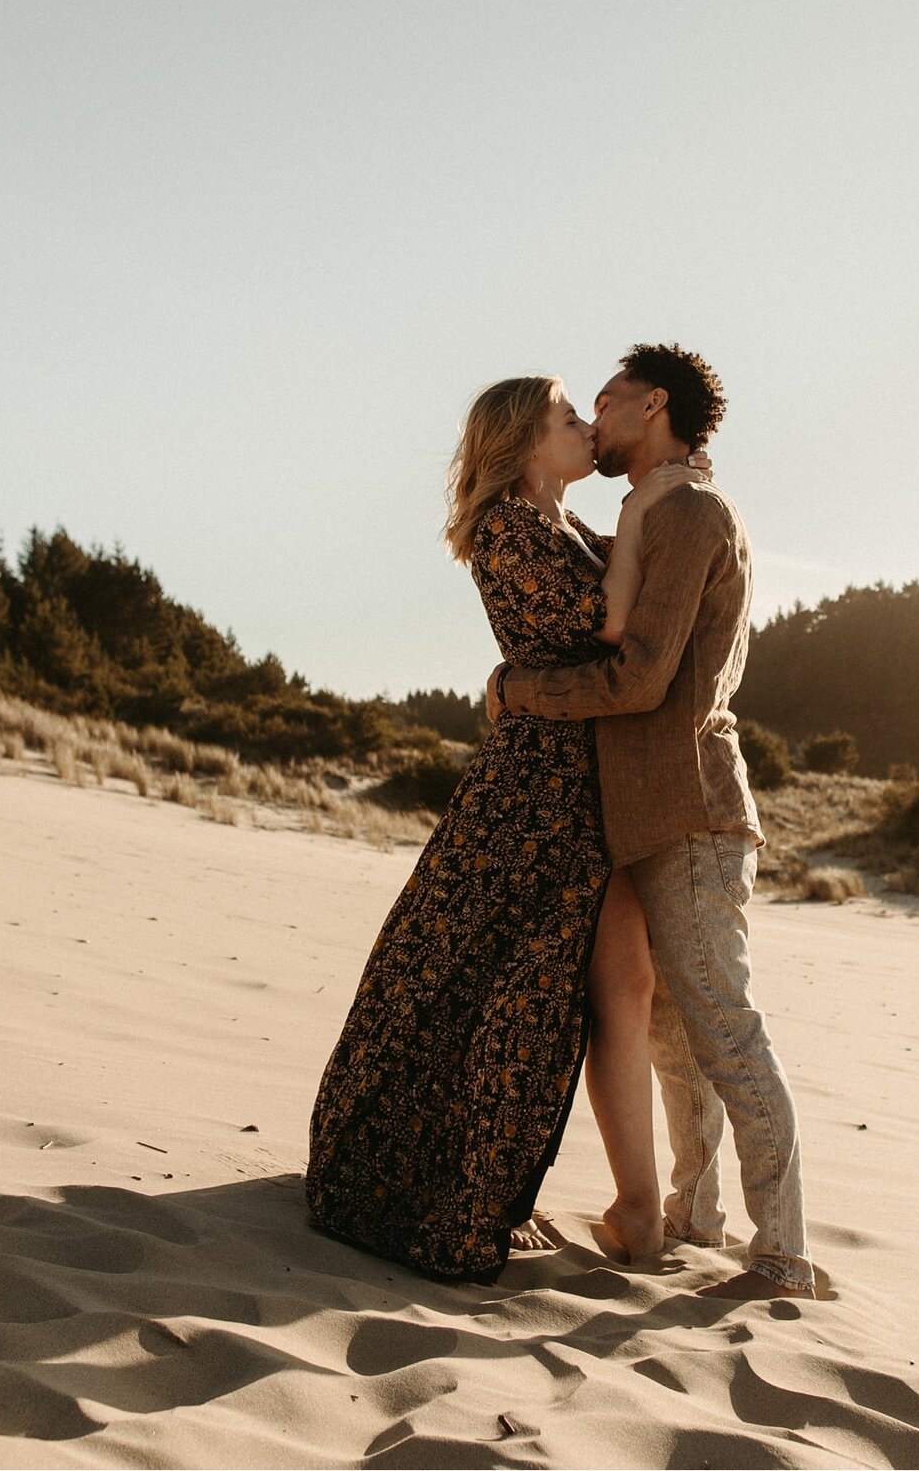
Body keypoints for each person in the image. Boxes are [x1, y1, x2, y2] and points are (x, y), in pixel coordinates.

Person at [305, 375, 700, 1283]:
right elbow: (610, 626)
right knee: (483, 988)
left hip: (584, 792)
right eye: (569, 418)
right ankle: (465, 1189)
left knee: (609, 987)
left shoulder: (562, 528)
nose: (585, 429)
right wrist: (647, 508)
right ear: (526, 441)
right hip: (531, 801)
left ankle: (630, 1207)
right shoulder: (506, 531)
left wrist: (658, 498)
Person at [488, 344, 815, 1300]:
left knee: (724, 1029)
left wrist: (519, 690)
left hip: (692, 809)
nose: (594, 418)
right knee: (678, 1033)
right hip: (657, 813)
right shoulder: (653, 510)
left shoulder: (685, 511)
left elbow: (640, 677)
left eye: (607, 400)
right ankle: (696, 1217)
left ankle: (784, 1254)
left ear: (653, 405)